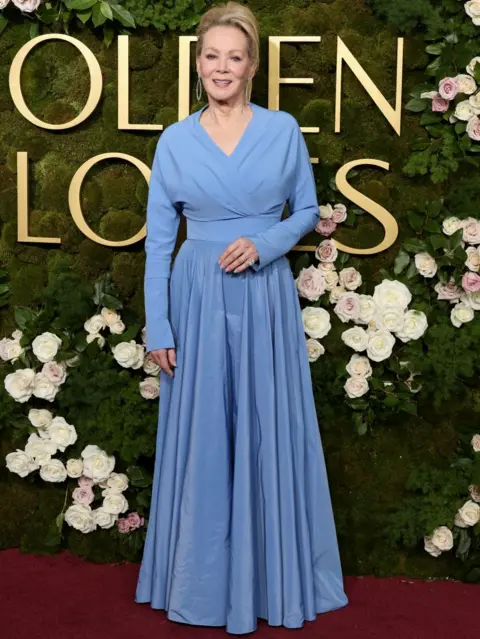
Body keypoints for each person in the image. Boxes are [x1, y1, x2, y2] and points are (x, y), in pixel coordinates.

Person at [135, 1, 348, 633]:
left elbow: (307, 212)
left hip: (262, 296)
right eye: (211, 56)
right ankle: (200, 585)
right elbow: (155, 242)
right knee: (202, 440)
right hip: (195, 298)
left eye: (234, 56)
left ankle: (269, 579)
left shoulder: (283, 130)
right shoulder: (174, 140)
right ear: (198, 64)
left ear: (251, 65)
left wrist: (265, 244)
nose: (221, 67)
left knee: (264, 429)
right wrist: (161, 326)